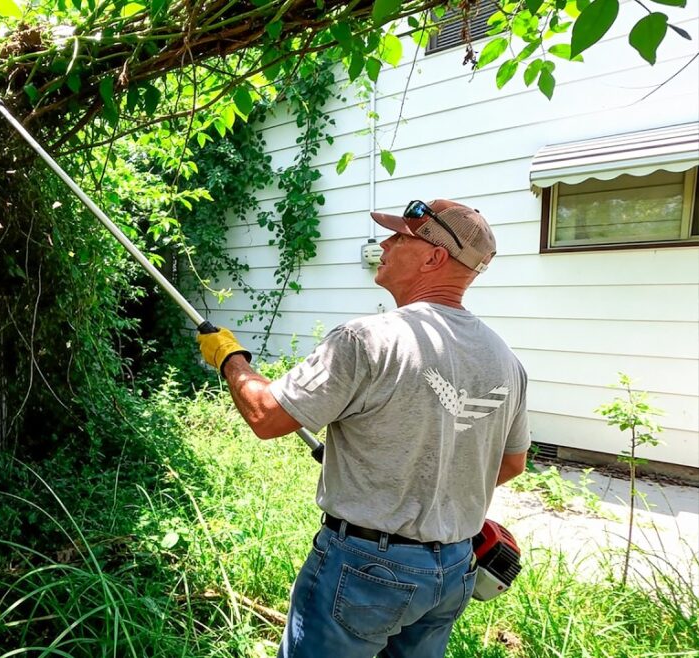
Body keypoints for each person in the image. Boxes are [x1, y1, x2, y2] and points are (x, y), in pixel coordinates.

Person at [196, 199, 530, 658]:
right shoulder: (505, 361)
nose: (385, 243)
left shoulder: (367, 340)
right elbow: (512, 463)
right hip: (452, 568)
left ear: (434, 258)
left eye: (401, 236)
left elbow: (266, 416)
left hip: (366, 569)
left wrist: (230, 359)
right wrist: (430, 494)